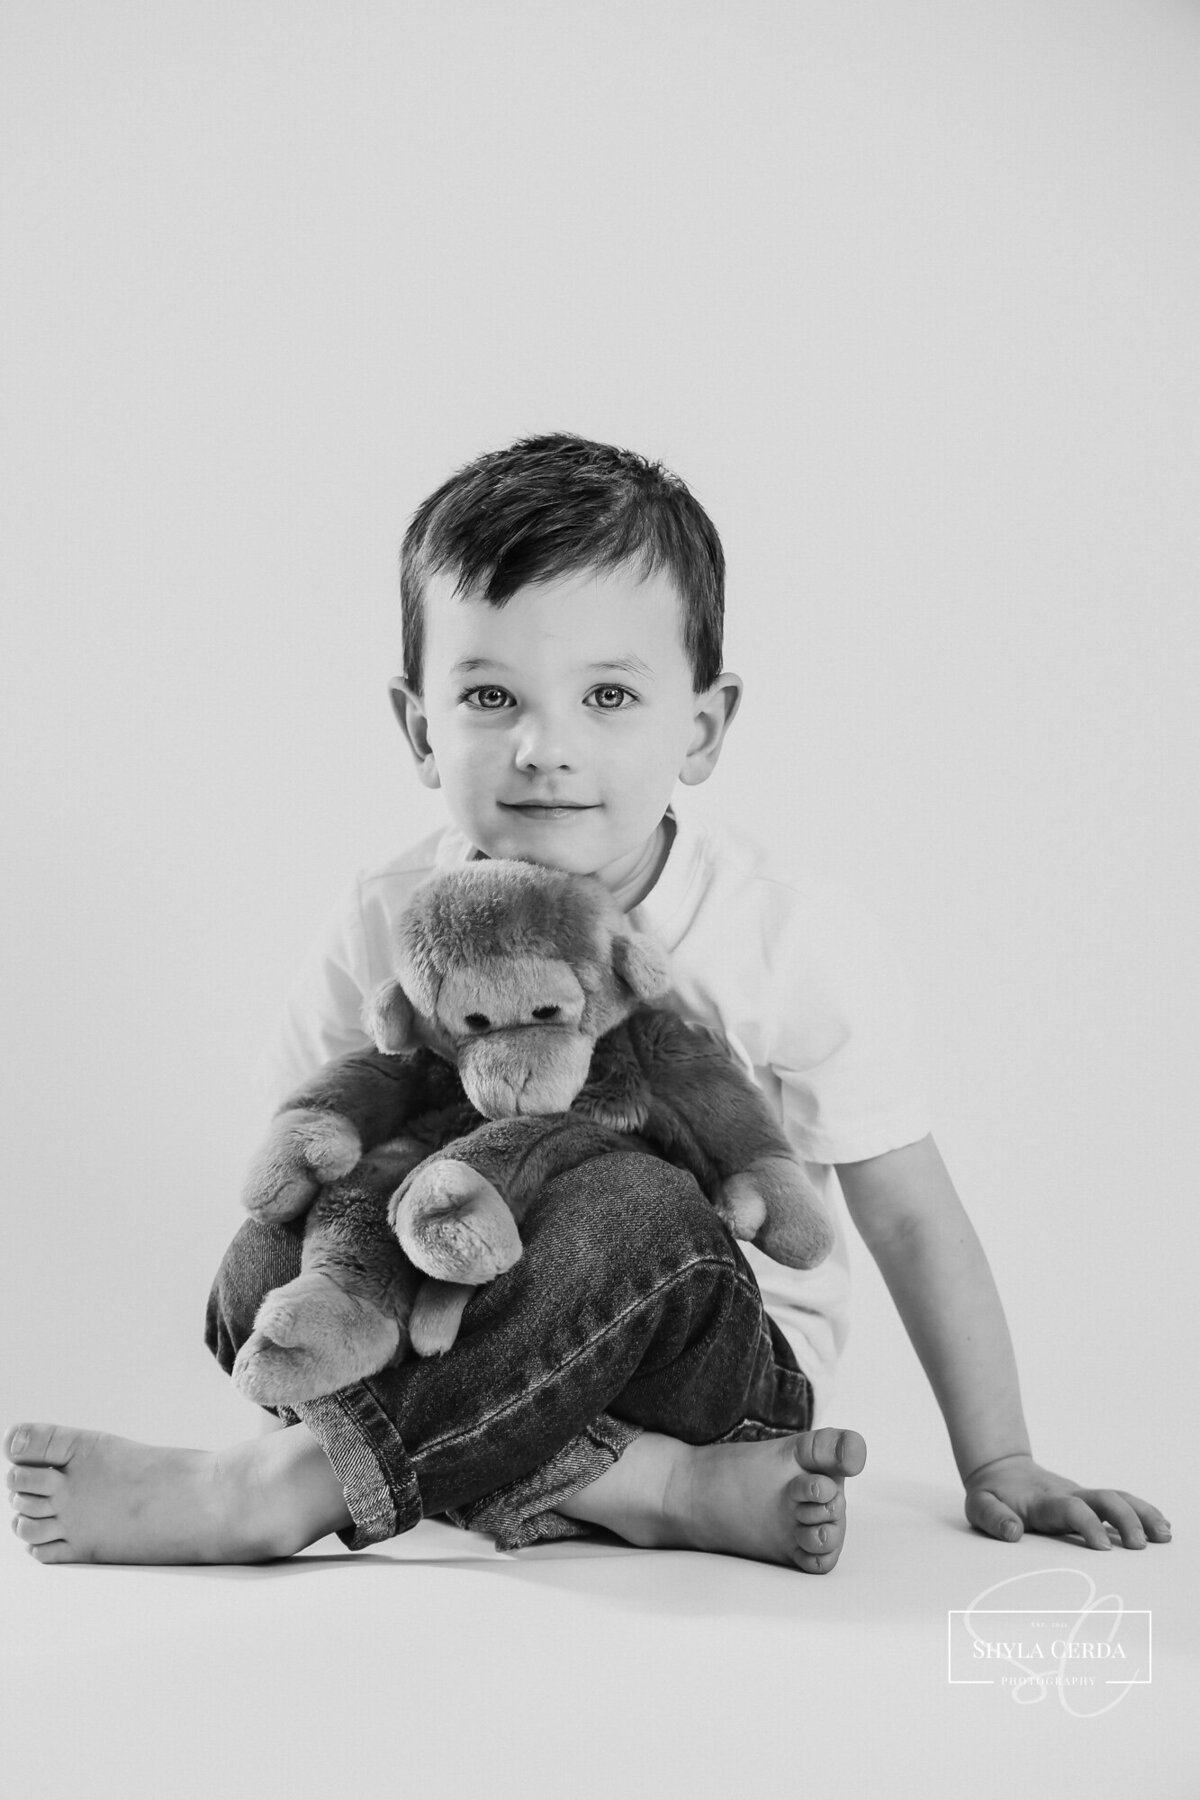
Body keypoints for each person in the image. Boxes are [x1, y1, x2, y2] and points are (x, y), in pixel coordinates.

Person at [6, 434, 1171, 1570]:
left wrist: (1002, 1456)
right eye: (491, 697)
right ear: (420, 728)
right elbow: (300, 1157)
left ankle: (286, 1488)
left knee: (620, 1196)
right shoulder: (390, 913)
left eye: (609, 695)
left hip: (699, 1345)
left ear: (702, 727)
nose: (545, 747)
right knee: (260, 1272)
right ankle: (651, 1489)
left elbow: (912, 1215)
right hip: (439, 1304)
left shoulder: (785, 930)